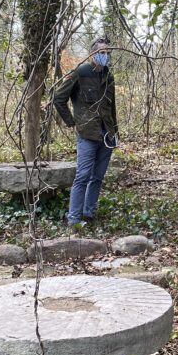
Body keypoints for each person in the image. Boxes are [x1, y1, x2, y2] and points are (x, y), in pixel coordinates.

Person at [53, 37, 118, 226]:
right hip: (87, 135)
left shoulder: (108, 76)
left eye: (107, 53)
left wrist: (115, 133)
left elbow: (111, 107)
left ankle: (89, 214)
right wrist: (72, 122)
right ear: (92, 54)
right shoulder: (80, 72)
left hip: (107, 136)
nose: (105, 56)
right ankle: (73, 219)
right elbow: (59, 98)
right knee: (82, 176)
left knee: (97, 177)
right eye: (102, 53)